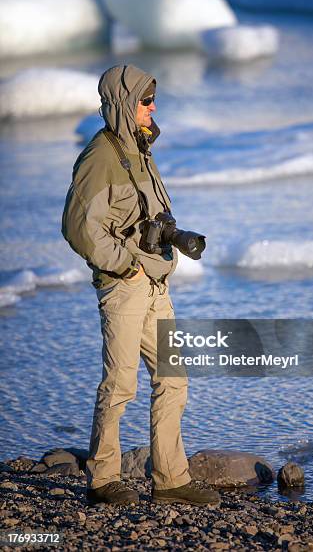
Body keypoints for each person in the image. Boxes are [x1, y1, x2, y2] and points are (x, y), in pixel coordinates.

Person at [62, 64, 219, 507]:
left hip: (154, 284)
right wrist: (126, 264)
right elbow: (78, 228)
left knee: (174, 378)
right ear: (123, 104)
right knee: (120, 385)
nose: (152, 107)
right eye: (145, 100)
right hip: (125, 286)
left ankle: (170, 480)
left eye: (154, 100)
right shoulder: (100, 157)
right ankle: (102, 480)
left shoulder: (140, 149)